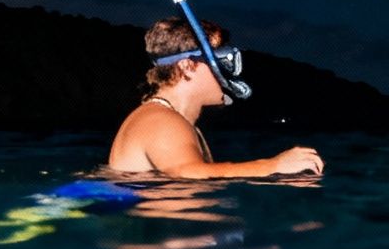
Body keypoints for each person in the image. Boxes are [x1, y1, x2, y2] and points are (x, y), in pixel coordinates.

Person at [108, 18, 324, 177]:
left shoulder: (172, 121)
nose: (229, 71)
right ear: (187, 66)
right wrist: (272, 166)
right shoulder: (161, 121)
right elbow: (187, 172)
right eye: (221, 60)